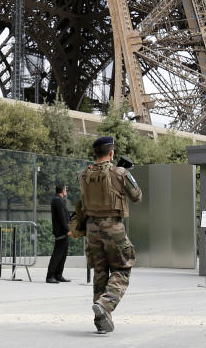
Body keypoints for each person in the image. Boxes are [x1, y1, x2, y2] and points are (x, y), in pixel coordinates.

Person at [76, 135, 142, 334]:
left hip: (91, 229)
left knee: (100, 272)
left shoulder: (82, 175)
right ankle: (105, 305)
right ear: (111, 153)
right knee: (122, 270)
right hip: (112, 227)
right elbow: (137, 196)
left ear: (95, 153)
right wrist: (126, 174)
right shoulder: (120, 172)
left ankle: (101, 320)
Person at [46, 183, 71, 283]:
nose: (66, 191)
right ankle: (50, 276)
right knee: (57, 254)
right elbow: (61, 218)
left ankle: (58, 275)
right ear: (63, 190)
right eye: (66, 189)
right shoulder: (57, 200)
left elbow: (65, 216)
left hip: (62, 231)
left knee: (63, 254)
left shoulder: (59, 200)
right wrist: (67, 230)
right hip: (61, 232)